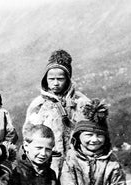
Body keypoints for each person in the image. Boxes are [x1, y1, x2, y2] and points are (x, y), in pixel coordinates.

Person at [24, 49, 89, 177]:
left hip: (77, 162)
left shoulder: (82, 102)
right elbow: (29, 134)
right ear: (45, 79)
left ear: (68, 79)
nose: (55, 83)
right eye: (51, 78)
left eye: (60, 79)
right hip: (48, 162)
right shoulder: (38, 105)